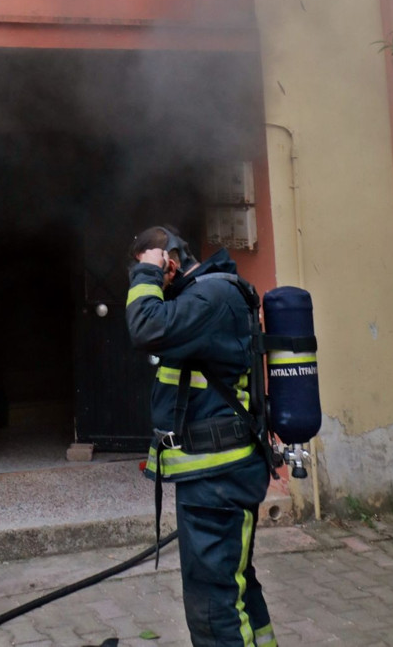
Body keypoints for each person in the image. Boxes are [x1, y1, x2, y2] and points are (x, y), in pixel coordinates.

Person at [125, 225, 278, 647]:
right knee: (233, 585)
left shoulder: (211, 297)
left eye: (151, 271)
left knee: (213, 606)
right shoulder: (203, 298)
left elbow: (145, 328)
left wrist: (147, 273)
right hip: (213, 475)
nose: (149, 284)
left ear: (170, 265)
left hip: (218, 478)